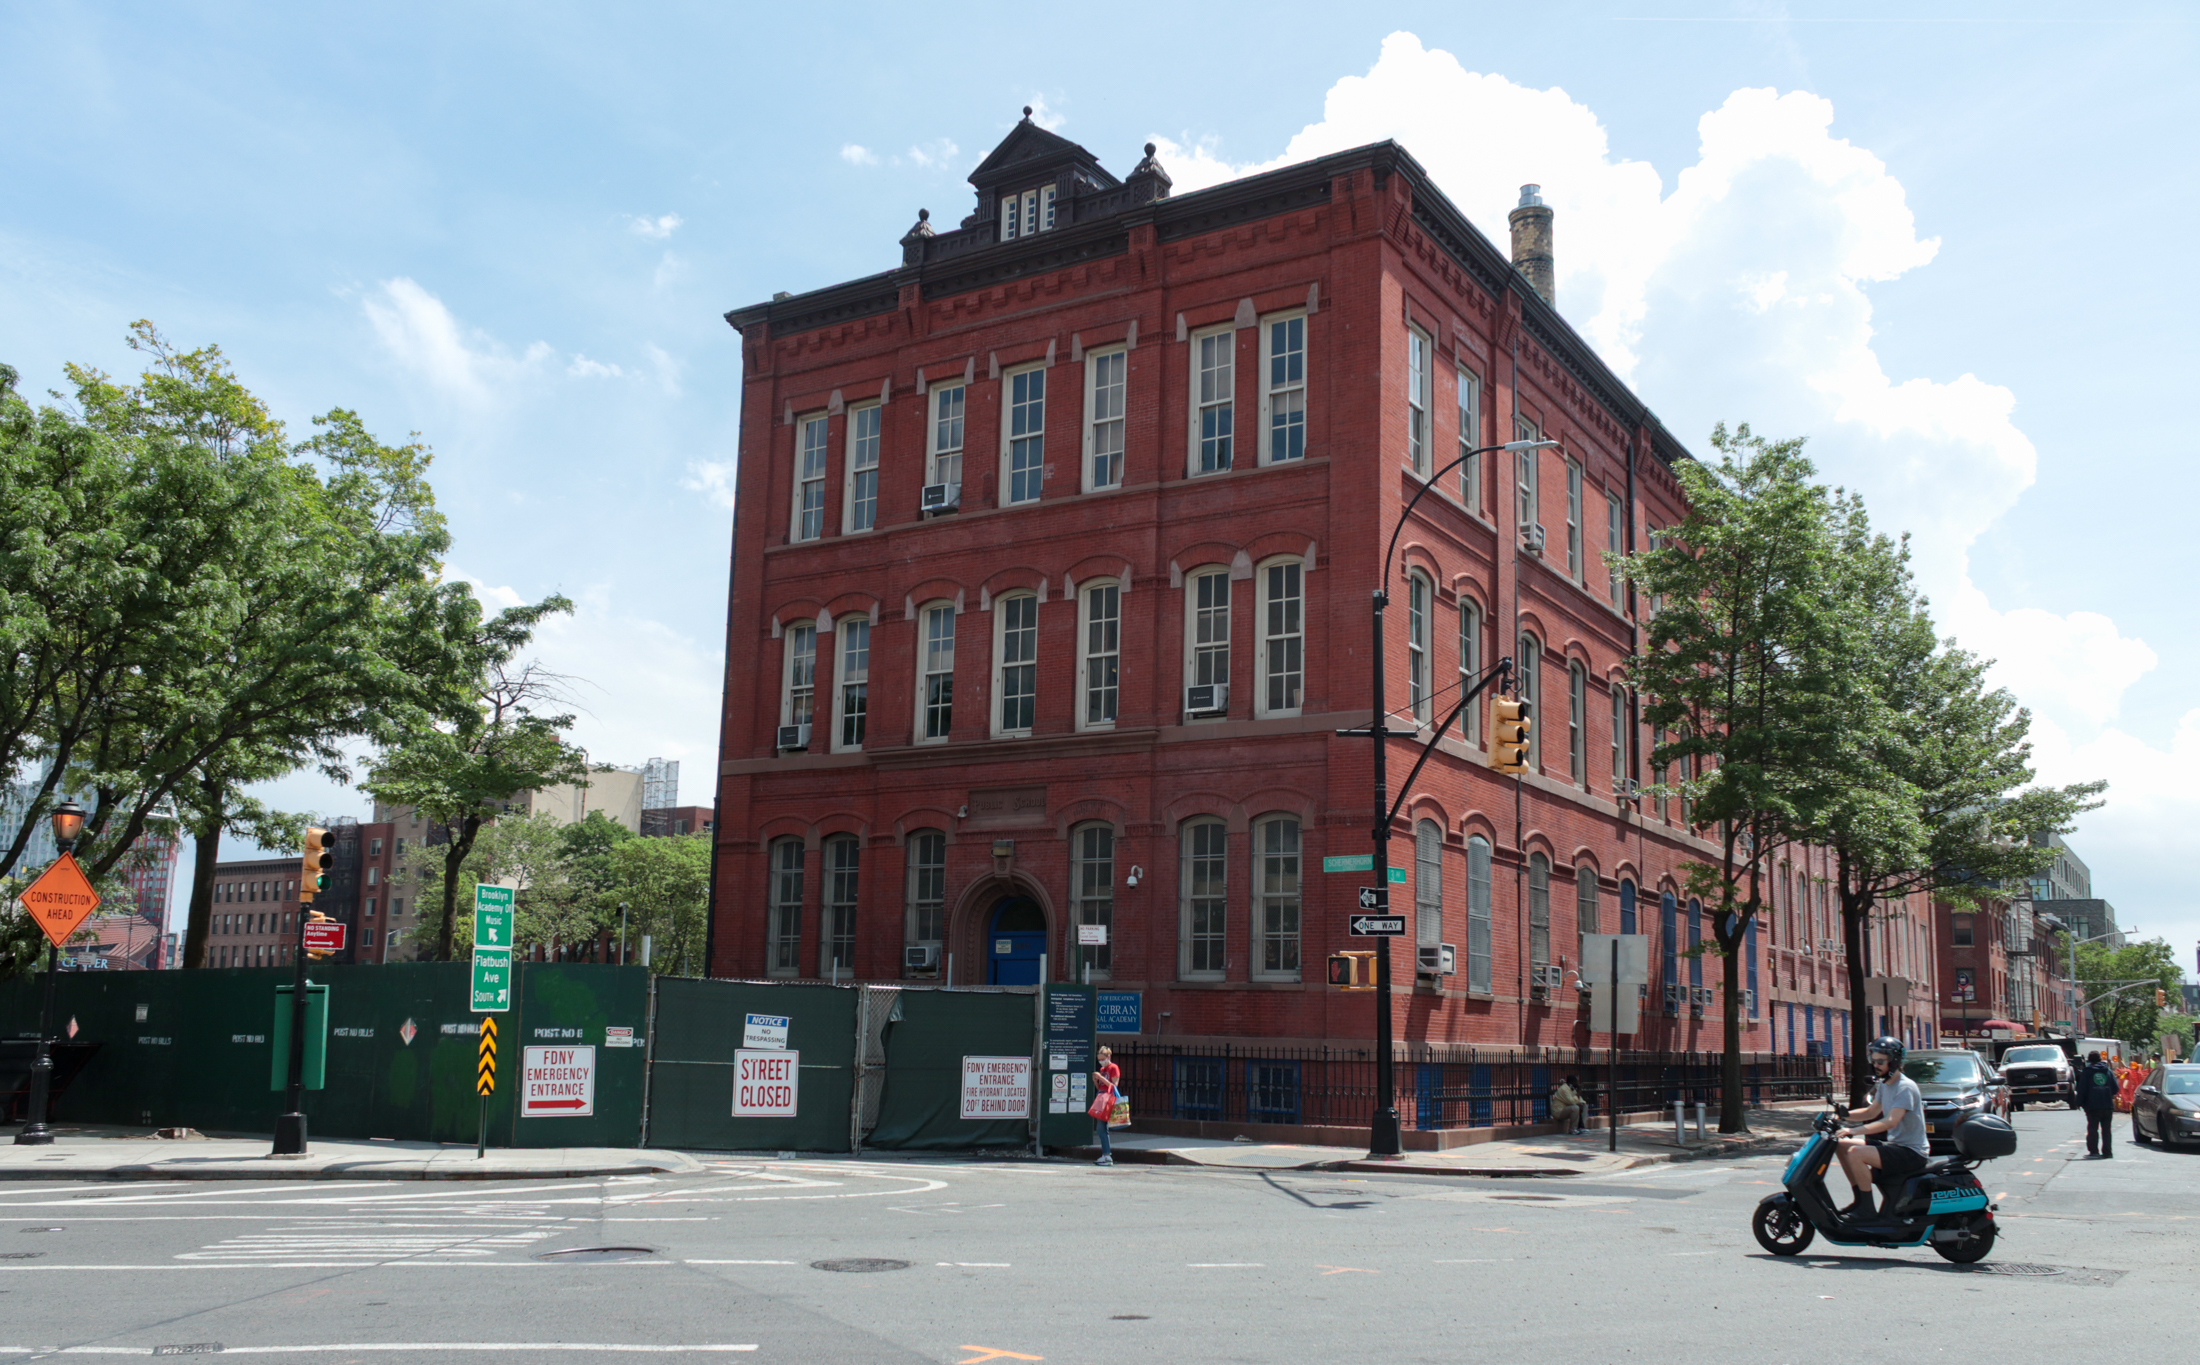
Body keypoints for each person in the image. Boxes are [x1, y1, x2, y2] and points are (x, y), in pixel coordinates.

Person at [1834, 1036, 1928, 1220]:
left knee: (1855, 1152)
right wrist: (1842, 1116)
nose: (1875, 1065)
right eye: (1873, 1061)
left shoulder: (1905, 1087)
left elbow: (1890, 1121)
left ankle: (1867, 1210)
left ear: (1893, 1062)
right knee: (1841, 1145)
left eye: (1880, 1062)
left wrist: (1853, 1130)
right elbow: (1871, 1112)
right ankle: (1860, 1200)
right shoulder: (1885, 1085)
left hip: (1911, 1152)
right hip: (1896, 1146)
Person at [2076, 1049, 2118, 1157]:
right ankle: (2107, 1152)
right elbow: (2115, 1088)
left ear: (2089, 1060)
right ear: (2100, 1059)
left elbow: (2082, 1089)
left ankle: (2094, 1151)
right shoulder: (2107, 1070)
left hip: (2093, 1105)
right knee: (2107, 1130)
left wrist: (2078, 1102)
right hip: (2107, 1105)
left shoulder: (2087, 1072)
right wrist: (2107, 1093)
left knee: (2093, 1129)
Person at [1091, 1045, 1121, 1166]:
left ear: (1108, 1057)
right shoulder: (1103, 1070)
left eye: (1103, 1059)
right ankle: (1106, 1155)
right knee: (1101, 1127)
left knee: (1101, 1127)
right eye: (1099, 1059)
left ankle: (1107, 1156)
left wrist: (1100, 1078)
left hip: (1108, 1097)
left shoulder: (1114, 1067)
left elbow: (1114, 1086)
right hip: (1101, 1095)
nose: (1101, 1061)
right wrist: (1095, 1080)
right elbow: (1100, 1087)